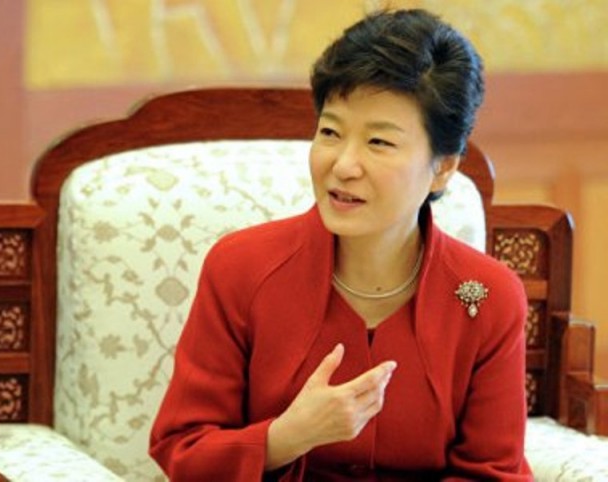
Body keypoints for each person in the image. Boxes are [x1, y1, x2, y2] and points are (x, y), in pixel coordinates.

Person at [149, 8, 533, 481]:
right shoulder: (240, 269)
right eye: (330, 132)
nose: (343, 165)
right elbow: (182, 449)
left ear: (443, 167)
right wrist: (286, 437)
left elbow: (493, 472)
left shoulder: (489, 296)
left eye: (379, 142)